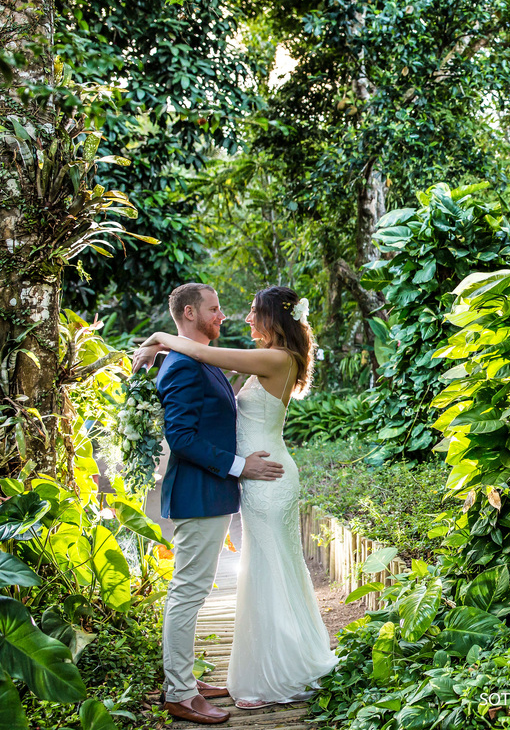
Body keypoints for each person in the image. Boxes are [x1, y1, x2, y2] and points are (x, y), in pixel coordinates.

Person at [136, 285, 337, 714]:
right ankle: (182, 689)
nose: (237, 318)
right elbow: (187, 431)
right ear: (190, 312)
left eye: (249, 312)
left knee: (269, 572)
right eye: (218, 308)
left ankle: (271, 668)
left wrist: (158, 342)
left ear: (271, 319)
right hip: (246, 479)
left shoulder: (275, 358)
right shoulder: (247, 359)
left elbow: (209, 357)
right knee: (254, 574)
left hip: (265, 479)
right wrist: (167, 346)